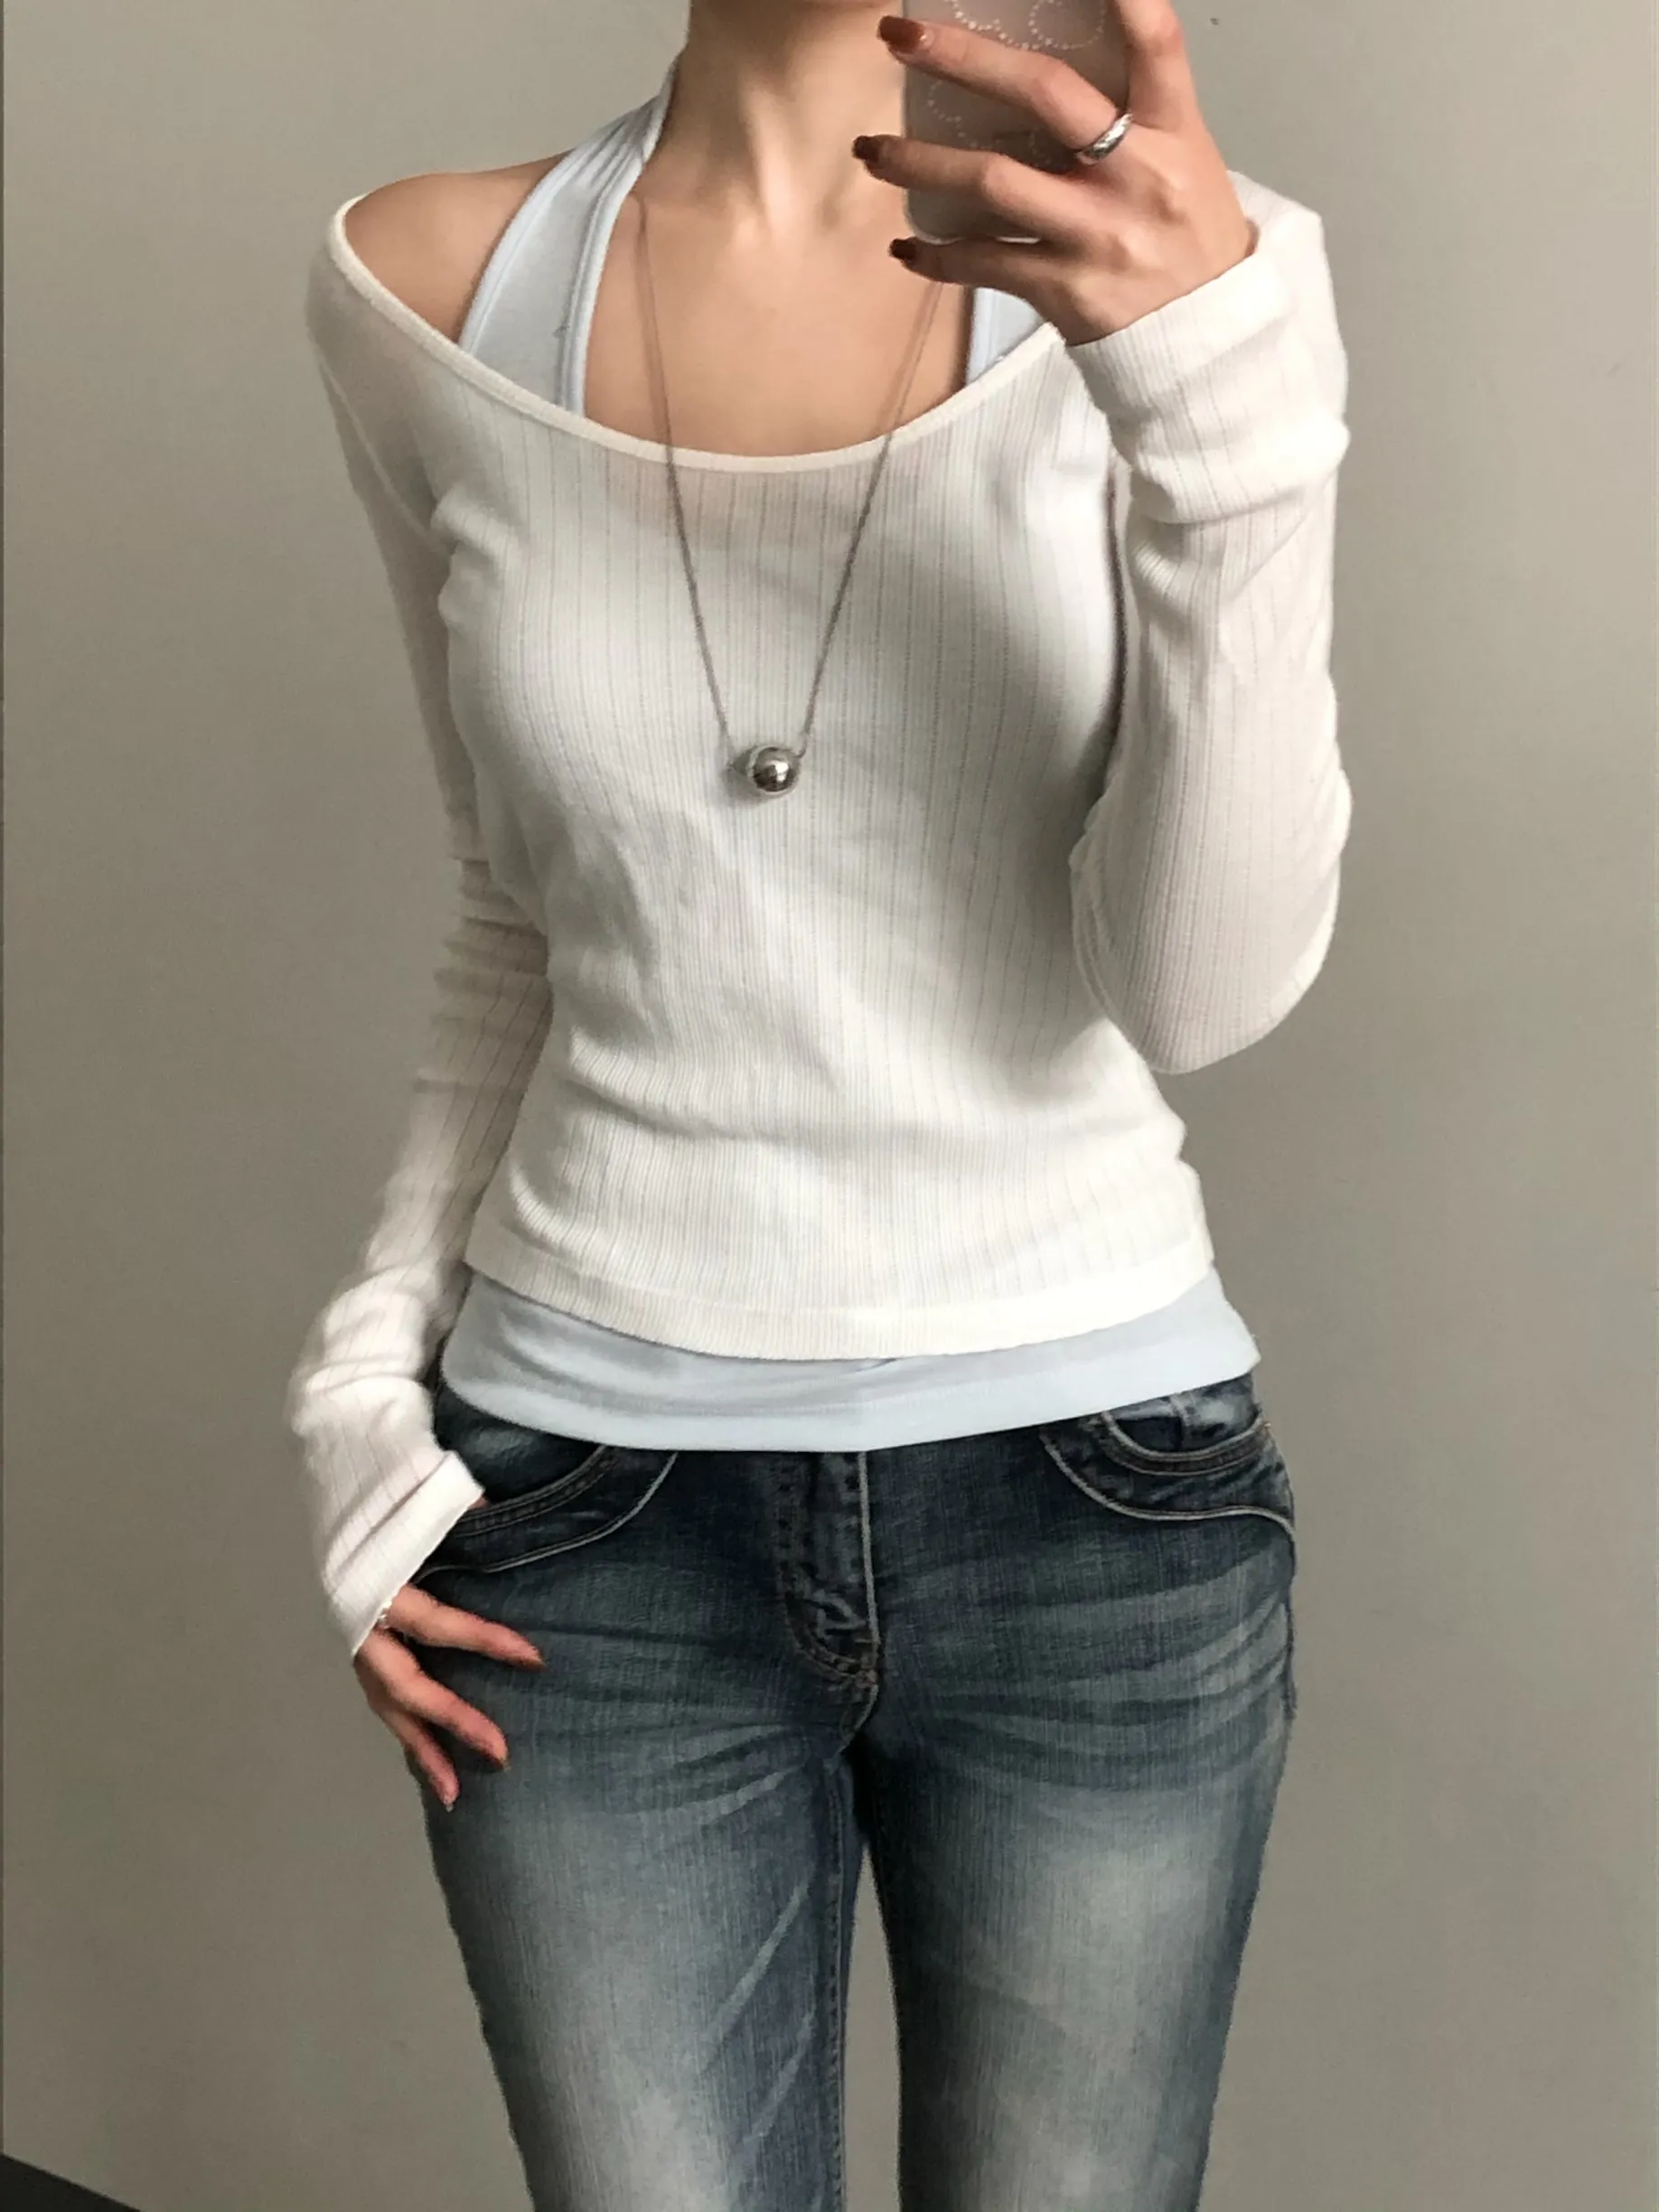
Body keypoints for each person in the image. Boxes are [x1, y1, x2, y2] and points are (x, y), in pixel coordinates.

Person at [286, 2, 1350, 2204]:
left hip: (1095, 1514)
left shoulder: (1204, 273)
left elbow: (1199, 992)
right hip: (584, 1532)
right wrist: (364, 1384)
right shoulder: (421, 291)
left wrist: (1215, 406)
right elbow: (516, 914)